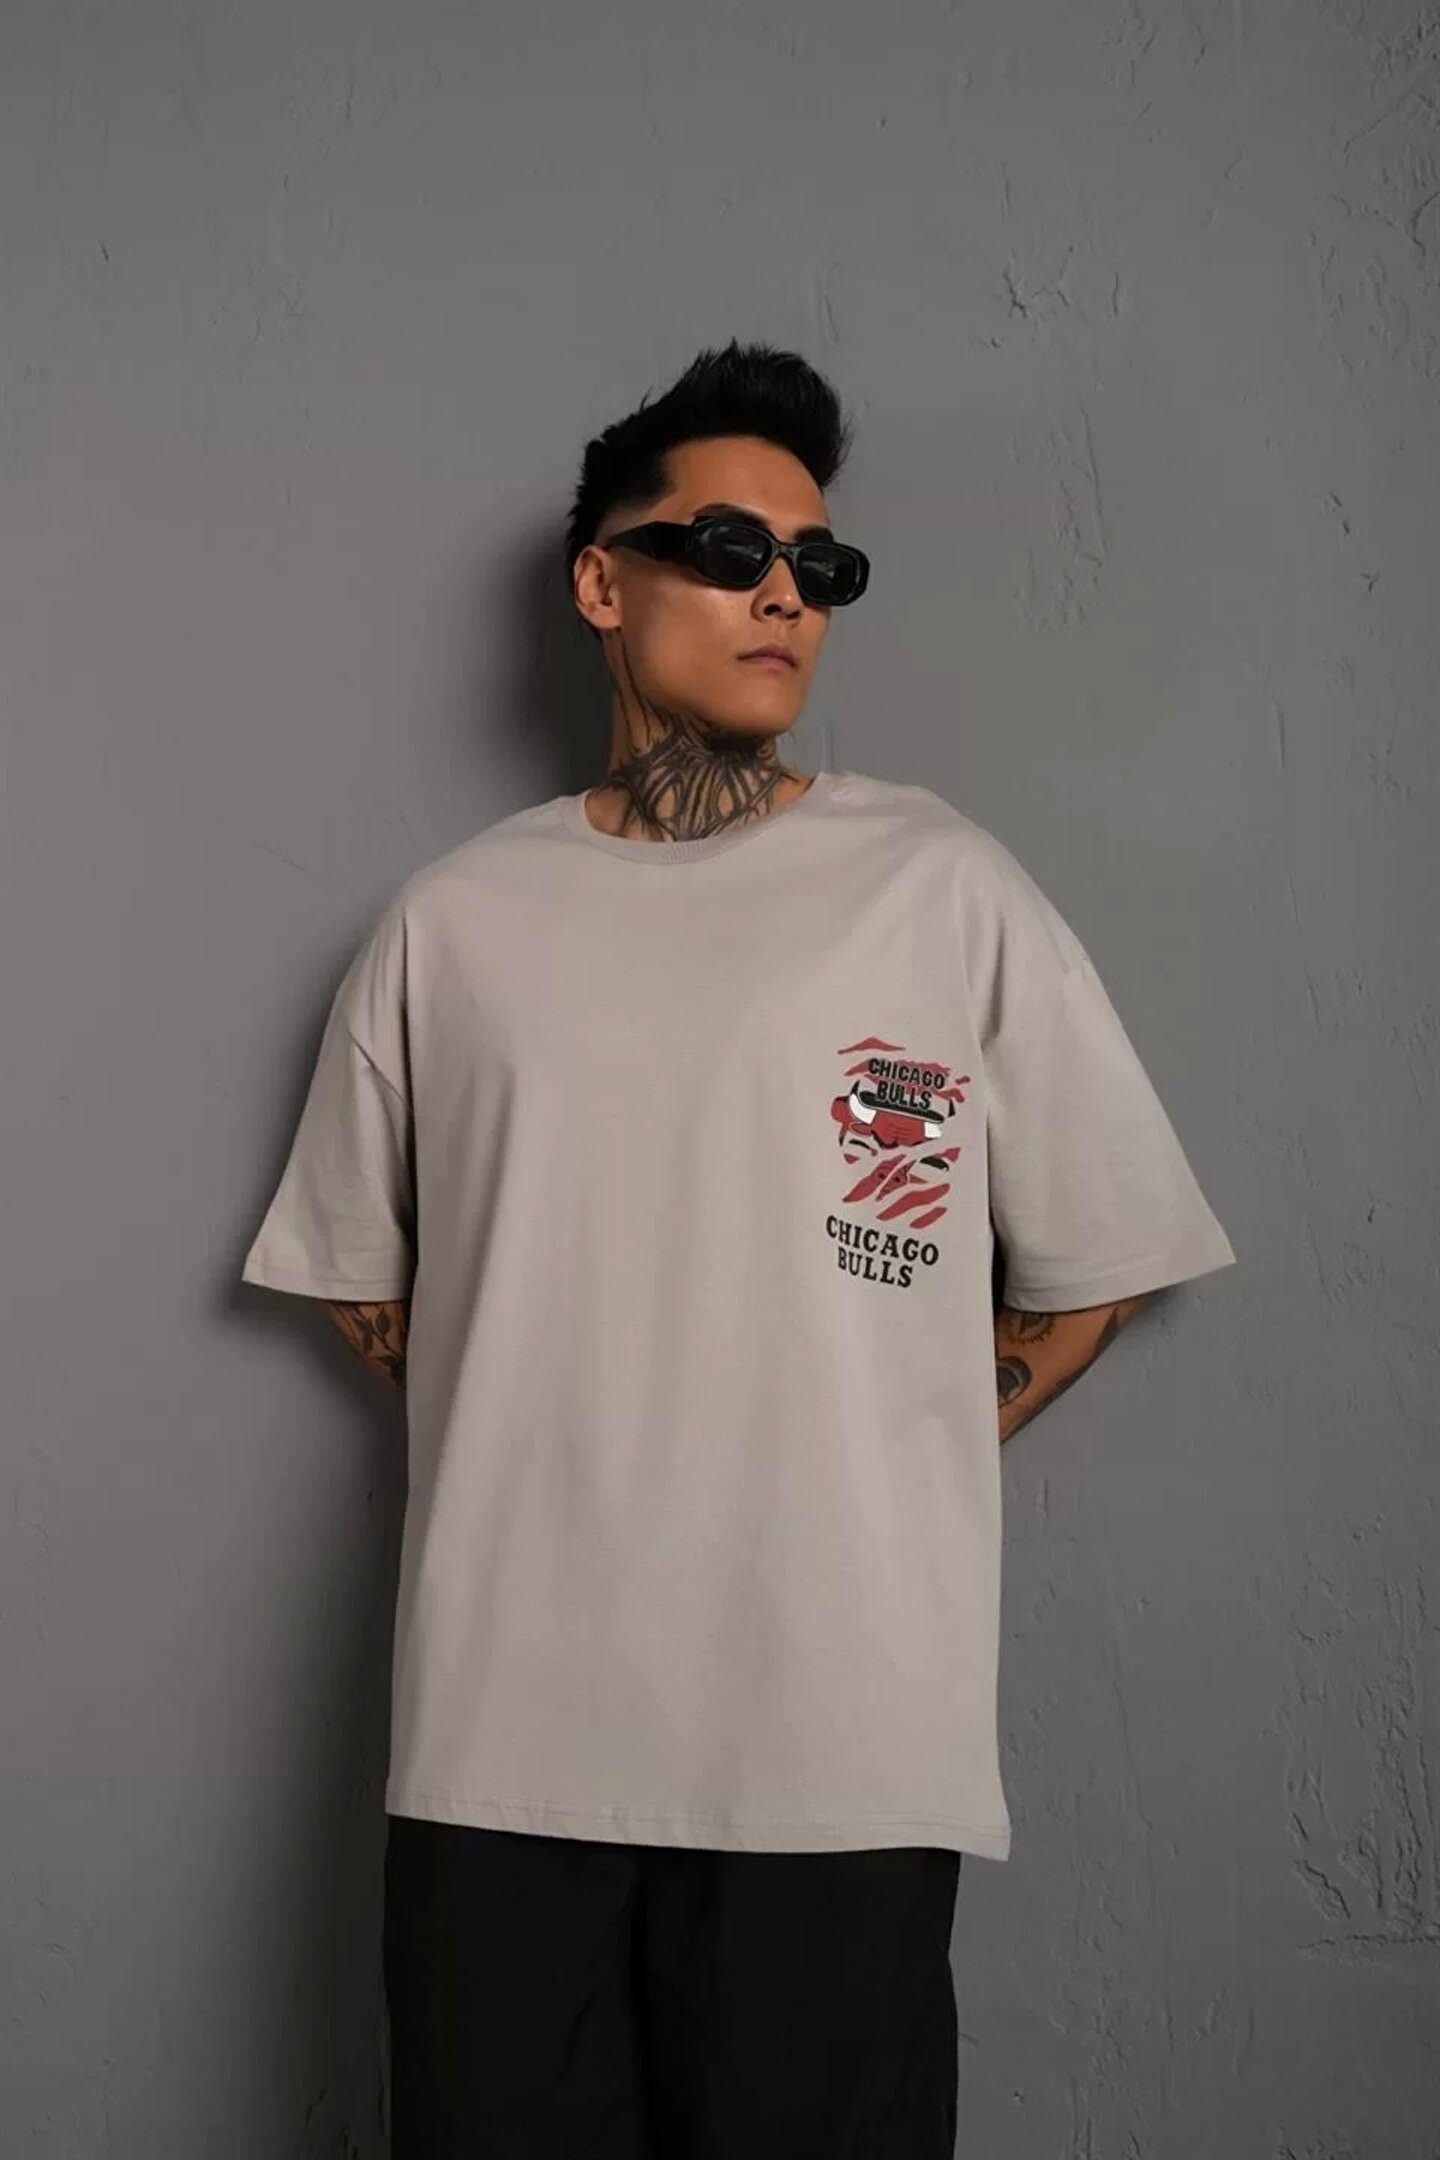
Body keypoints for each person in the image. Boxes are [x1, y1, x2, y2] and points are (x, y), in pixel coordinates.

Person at [239, 340, 1237, 2157]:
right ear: (600, 584)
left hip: (840, 1749)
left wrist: (877, 1440)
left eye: (819, 564)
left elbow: (1100, 1255)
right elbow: (360, 1274)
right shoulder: (457, 924)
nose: (785, 593)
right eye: (726, 547)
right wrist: (557, 1425)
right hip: (504, 1745)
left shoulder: (938, 886)